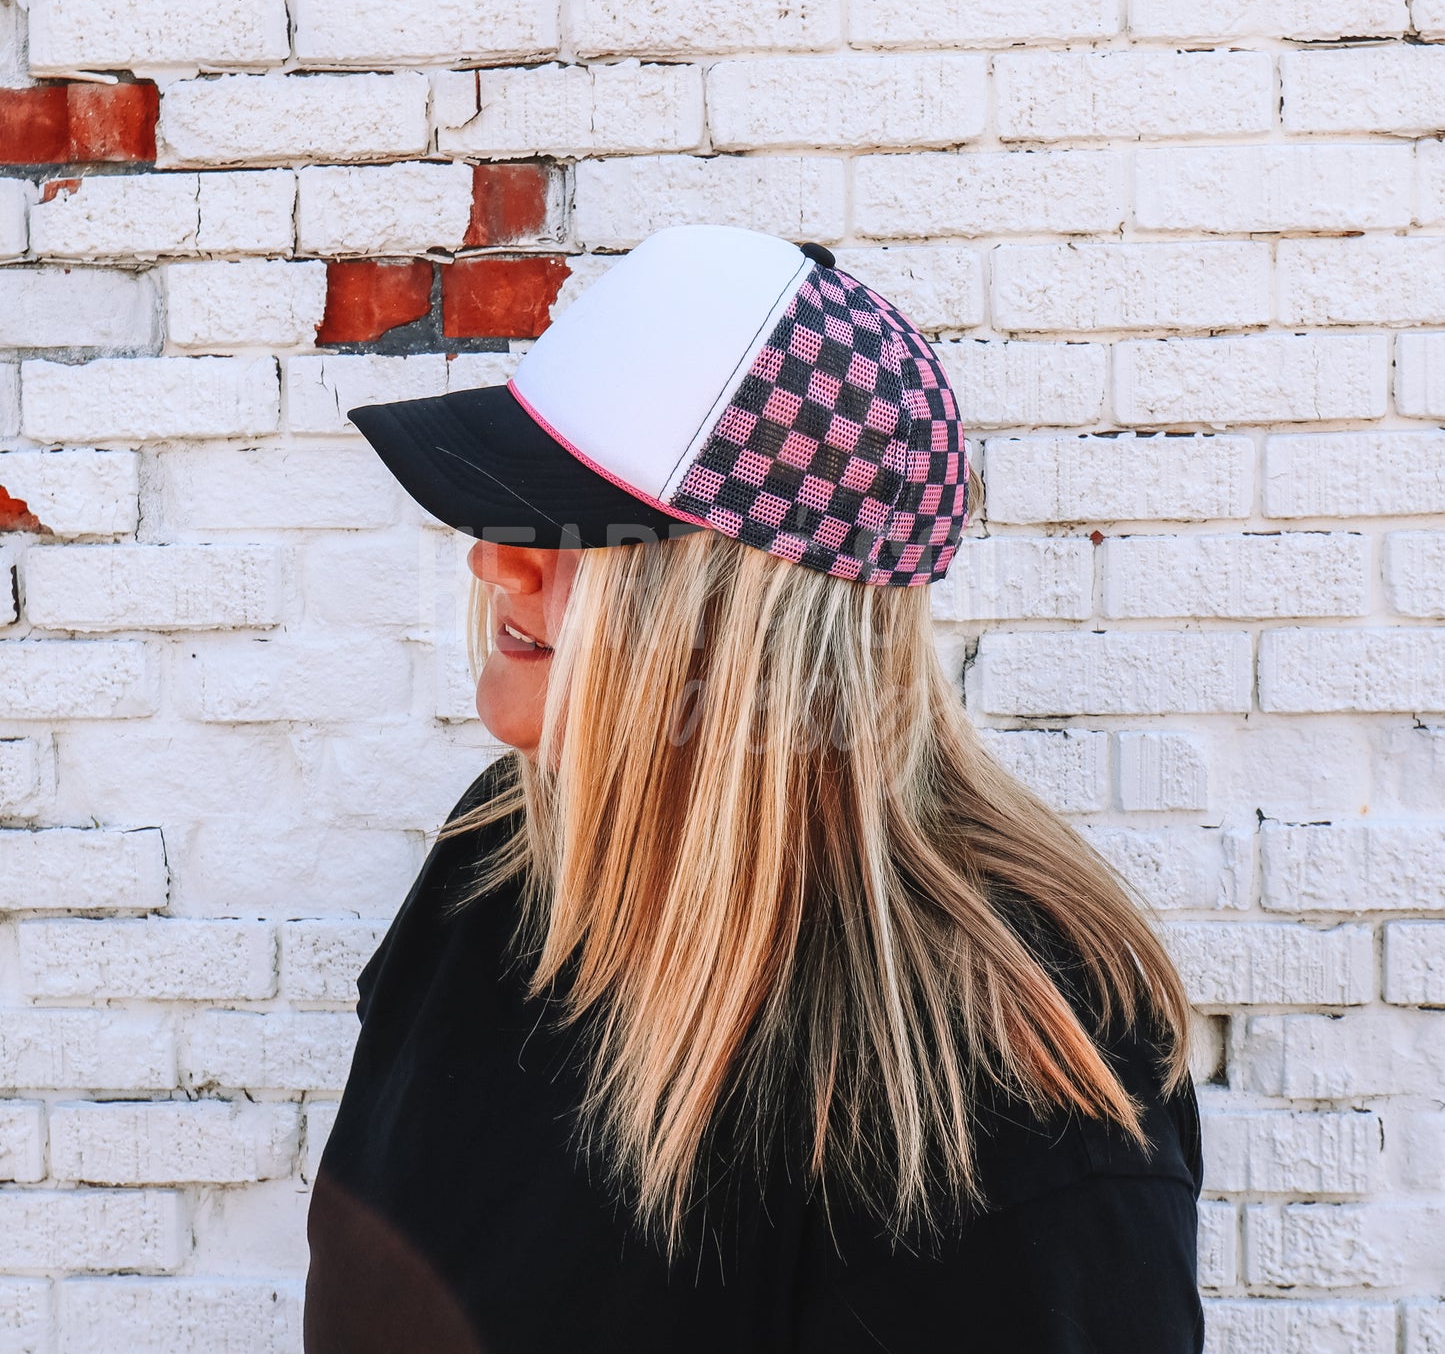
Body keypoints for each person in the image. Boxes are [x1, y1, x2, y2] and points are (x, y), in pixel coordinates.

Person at [303, 225, 1206, 1353]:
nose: (494, 559)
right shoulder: (494, 856)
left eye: (560, 525)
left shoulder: (999, 1097)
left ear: (754, 611)